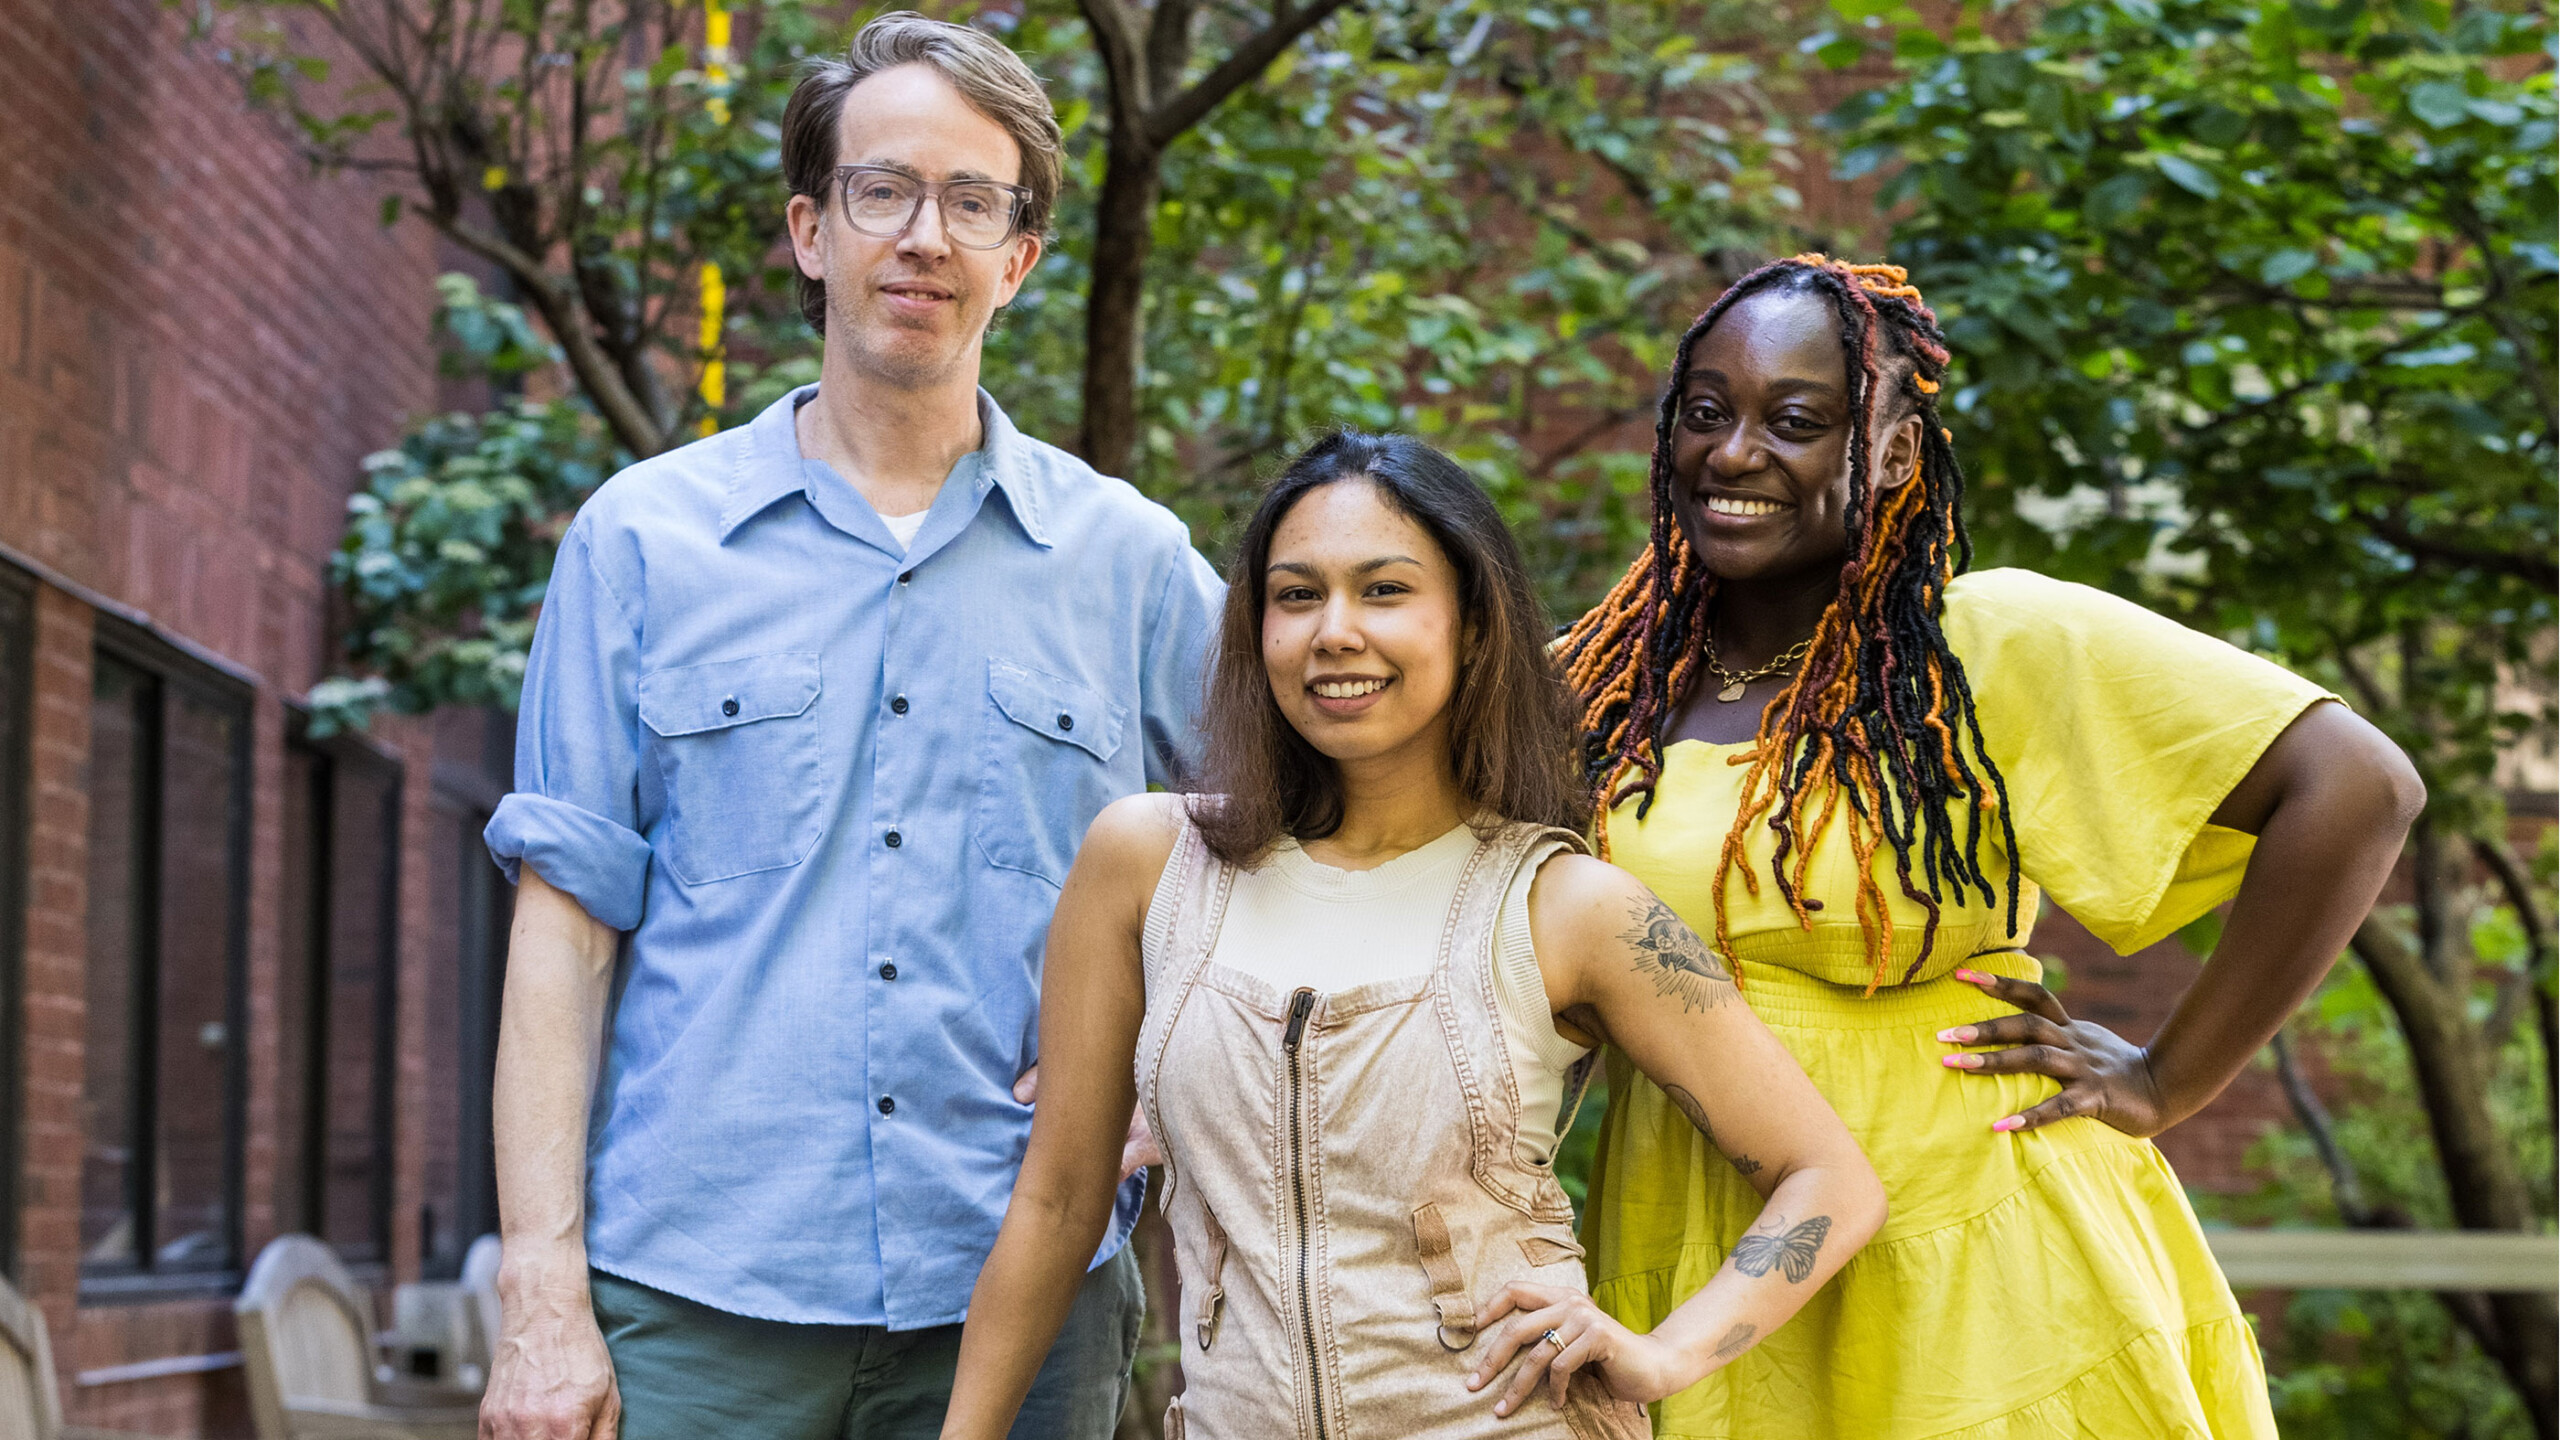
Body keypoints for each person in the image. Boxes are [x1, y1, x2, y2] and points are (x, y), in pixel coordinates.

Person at [475, 15, 1224, 1440]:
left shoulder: (1130, 566)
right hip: (696, 1306)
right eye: (884, 191)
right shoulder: (642, 542)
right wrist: (541, 1296)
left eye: (972, 202)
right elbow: (563, 937)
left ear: (1022, 258)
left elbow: (1308, 837)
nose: (924, 237)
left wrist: (1171, 1087)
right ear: (812, 231)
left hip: (1026, 1296)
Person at [1558, 254, 2426, 1437]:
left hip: (1975, 1251)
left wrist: (2168, 1081)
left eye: (1796, 421)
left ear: (1896, 457)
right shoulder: (1603, 690)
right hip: (1696, 1236)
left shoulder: (1984, 646)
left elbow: (2357, 787)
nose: (1735, 453)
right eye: (1705, 414)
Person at [937, 432, 1888, 1440]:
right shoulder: (1147, 861)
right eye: (1295, 596)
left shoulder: (1566, 907)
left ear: (1472, 625)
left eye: (1384, 591)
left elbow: (1829, 1180)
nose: (1333, 632)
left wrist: (1667, 1354)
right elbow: (1055, 1203)